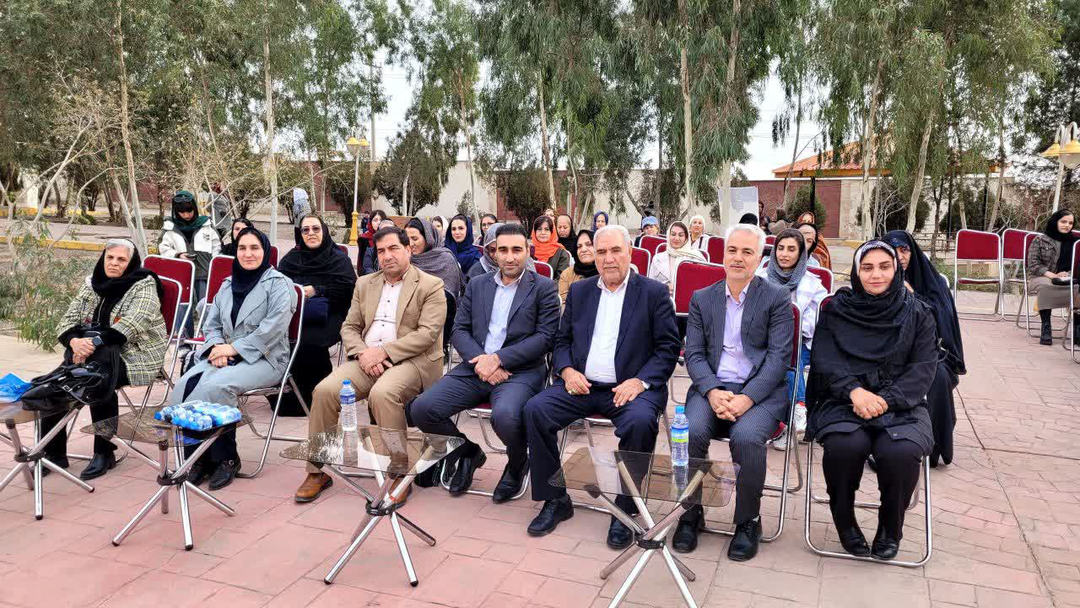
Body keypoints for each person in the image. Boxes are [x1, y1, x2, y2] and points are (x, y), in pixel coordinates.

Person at [522, 225, 680, 549]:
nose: (609, 259)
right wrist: (567, 371)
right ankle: (555, 499)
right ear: (594, 257)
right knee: (535, 410)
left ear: (630, 253)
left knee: (640, 422)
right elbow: (562, 341)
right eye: (602, 252)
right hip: (582, 385)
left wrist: (640, 381)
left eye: (616, 251)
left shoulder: (653, 293)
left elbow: (668, 348)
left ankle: (625, 507)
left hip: (630, 388)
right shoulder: (581, 292)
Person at [806, 240, 937, 560]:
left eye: (884, 267)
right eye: (867, 268)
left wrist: (884, 400)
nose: (876, 275)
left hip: (902, 404)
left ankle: (891, 529)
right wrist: (854, 391)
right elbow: (825, 359)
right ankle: (845, 522)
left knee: (900, 451)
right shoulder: (837, 310)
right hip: (843, 400)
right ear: (856, 272)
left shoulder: (918, 313)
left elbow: (923, 368)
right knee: (844, 446)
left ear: (897, 269)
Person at [295, 226, 446, 503]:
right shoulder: (365, 283)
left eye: (394, 248)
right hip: (366, 359)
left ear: (409, 249)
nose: (387, 256)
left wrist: (384, 353)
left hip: (412, 361)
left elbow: (427, 334)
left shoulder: (430, 285)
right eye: (381, 251)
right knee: (324, 391)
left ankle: (398, 470)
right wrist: (364, 353)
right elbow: (349, 327)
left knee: (383, 394)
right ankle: (318, 469)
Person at [409, 223, 561, 500]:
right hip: (475, 367)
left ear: (528, 251)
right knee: (421, 409)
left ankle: (517, 463)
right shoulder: (478, 284)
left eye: (517, 250)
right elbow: (458, 329)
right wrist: (483, 362)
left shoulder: (543, 287)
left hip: (520, 372)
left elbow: (545, 338)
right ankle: (466, 451)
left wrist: (499, 359)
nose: (510, 257)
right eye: (503, 250)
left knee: (506, 417)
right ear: (493, 253)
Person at [670, 223, 794, 561]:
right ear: (723, 254)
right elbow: (694, 354)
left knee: (747, 437)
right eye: (732, 251)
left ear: (760, 258)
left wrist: (747, 398)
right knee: (690, 431)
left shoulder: (777, 298)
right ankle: (691, 512)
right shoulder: (703, 298)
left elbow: (778, 359)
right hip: (712, 387)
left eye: (747, 252)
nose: (738, 258)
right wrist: (712, 391)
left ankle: (748, 521)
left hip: (760, 392)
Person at [173, 227, 297, 490]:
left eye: (254, 248)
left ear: (265, 252)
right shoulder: (228, 284)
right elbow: (212, 323)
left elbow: (273, 329)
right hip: (224, 355)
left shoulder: (280, 284)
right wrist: (217, 347)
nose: (248, 254)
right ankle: (197, 457)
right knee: (185, 385)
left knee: (217, 387)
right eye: (242, 248)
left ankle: (226, 458)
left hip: (266, 359)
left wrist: (233, 349)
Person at [41, 239, 169, 480]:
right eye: (110, 257)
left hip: (135, 353)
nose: (114, 263)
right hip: (90, 354)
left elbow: (132, 324)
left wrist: (91, 343)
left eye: (121, 259)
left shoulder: (144, 284)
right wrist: (74, 342)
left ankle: (104, 451)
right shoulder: (93, 283)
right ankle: (53, 453)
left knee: (98, 381)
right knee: (54, 383)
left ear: (131, 262)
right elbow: (67, 320)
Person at [885, 230, 966, 467]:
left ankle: (933, 447)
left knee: (938, 376)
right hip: (885, 351)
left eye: (904, 250)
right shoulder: (876, 278)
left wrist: (913, 295)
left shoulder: (932, 281)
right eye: (893, 251)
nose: (900, 256)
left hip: (929, 350)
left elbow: (942, 318)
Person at [275, 214, 357, 417]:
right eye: (306, 230)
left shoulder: (338, 259)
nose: (311, 233)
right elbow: (277, 287)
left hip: (332, 312)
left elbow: (348, 290)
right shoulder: (291, 259)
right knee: (281, 339)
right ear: (300, 234)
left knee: (309, 341)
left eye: (315, 228)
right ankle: (290, 397)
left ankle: (320, 397)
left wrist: (317, 290)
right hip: (296, 314)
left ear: (324, 231)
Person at [755, 228, 828, 451]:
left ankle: (794, 414)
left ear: (801, 253)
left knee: (786, 353)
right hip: (761, 342)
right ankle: (792, 416)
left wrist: (788, 328)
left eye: (791, 249)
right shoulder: (760, 278)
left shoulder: (812, 283)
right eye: (780, 248)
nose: (784, 254)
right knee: (780, 354)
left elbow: (815, 320)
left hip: (799, 344)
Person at [159, 190, 222, 338]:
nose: (186, 215)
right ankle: (184, 340)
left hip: (204, 272)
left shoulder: (206, 224)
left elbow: (217, 246)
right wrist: (177, 255)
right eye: (182, 212)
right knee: (182, 306)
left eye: (189, 211)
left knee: (206, 306)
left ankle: (208, 338)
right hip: (181, 273)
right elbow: (163, 248)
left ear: (195, 208)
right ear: (176, 212)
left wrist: (213, 262)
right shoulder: (169, 227)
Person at [1026, 209, 1080, 346]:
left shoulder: (1076, 242)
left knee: (1078, 287)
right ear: (1055, 221)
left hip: (1067, 277)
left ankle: (1077, 327)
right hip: (1041, 276)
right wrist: (1053, 275)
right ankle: (1046, 326)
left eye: (1070, 223)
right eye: (1063, 222)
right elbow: (1033, 264)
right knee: (1046, 286)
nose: (1067, 225)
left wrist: (1068, 273)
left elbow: (1077, 264)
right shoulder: (1040, 240)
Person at [405, 218, 465, 298]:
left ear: (428, 237)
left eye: (415, 239)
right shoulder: (405, 259)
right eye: (407, 239)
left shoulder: (445, 259)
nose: (410, 244)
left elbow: (450, 294)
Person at [648, 221, 705, 293]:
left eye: (681, 235)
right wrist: (664, 286)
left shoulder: (695, 258)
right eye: (673, 234)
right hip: (660, 297)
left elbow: (701, 285)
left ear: (686, 238)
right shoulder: (657, 258)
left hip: (687, 297)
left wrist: (678, 287)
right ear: (668, 236)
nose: (676, 238)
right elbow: (650, 284)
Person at [558, 230, 598, 302]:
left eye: (589, 244)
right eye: (579, 246)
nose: (583, 250)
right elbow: (564, 303)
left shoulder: (605, 272)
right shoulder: (567, 274)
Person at [359, 210, 389, 276]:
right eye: (375, 220)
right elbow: (362, 264)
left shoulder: (393, 237)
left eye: (381, 220)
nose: (379, 223)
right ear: (370, 222)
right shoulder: (364, 239)